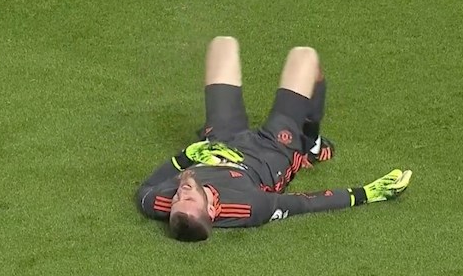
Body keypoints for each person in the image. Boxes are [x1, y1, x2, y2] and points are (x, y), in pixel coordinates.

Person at [136, 36, 412, 241]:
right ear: (211, 210)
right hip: (271, 153)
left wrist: (187, 156)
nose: (181, 193)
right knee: (305, 58)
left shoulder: (157, 202)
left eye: (176, 201)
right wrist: (365, 194)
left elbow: (146, 190)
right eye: (189, 199)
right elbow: (305, 203)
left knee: (222, 45)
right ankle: (312, 145)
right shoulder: (248, 207)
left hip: (221, 140)